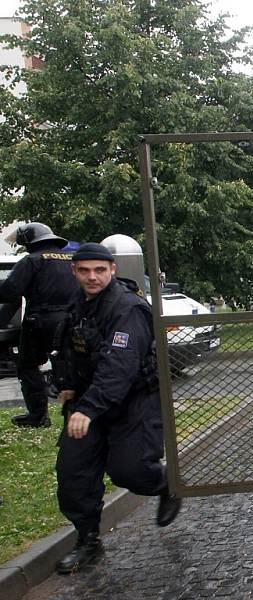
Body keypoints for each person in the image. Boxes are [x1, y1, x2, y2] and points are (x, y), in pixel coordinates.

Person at [53, 243, 181, 574]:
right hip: (87, 403)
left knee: (130, 471)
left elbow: (119, 367)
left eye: (99, 270)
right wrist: (65, 384)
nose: (92, 277)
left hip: (132, 403)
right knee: (73, 475)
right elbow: (69, 348)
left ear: (112, 269)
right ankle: (88, 541)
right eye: (84, 270)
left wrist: (89, 408)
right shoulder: (78, 305)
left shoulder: (128, 308)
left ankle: (167, 483)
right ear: (74, 272)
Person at [0, 222, 80, 427]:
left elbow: (10, 292)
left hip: (41, 321)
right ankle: (77, 411)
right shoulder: (72, 259)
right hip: (73, 320)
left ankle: (38, 416)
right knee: (73, 365)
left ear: (29, 241)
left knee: (28, 366)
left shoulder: (32, 260)